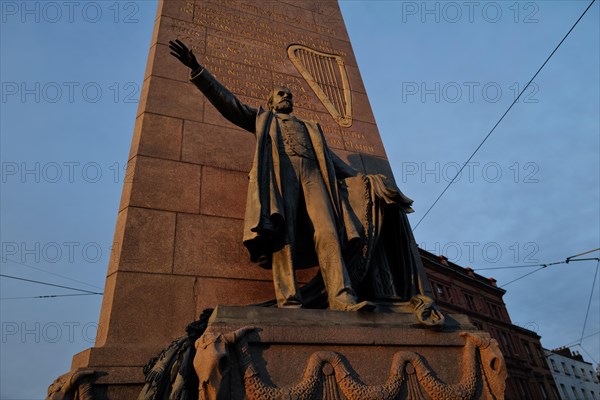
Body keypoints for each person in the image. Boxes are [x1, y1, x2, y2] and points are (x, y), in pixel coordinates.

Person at [169, 39, 373, 312]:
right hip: (281, 176)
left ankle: (341, 297)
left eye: (289, 93)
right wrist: (198, 70)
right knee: (283, 233)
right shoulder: (264, 120)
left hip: (314, 177)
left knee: (328, 232)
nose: (286, 96)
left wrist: (366, 181)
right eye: (280, 94)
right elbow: (230, 105)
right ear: (270, 102)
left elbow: (334, 161)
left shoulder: (311, 127)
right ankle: (289, 299)